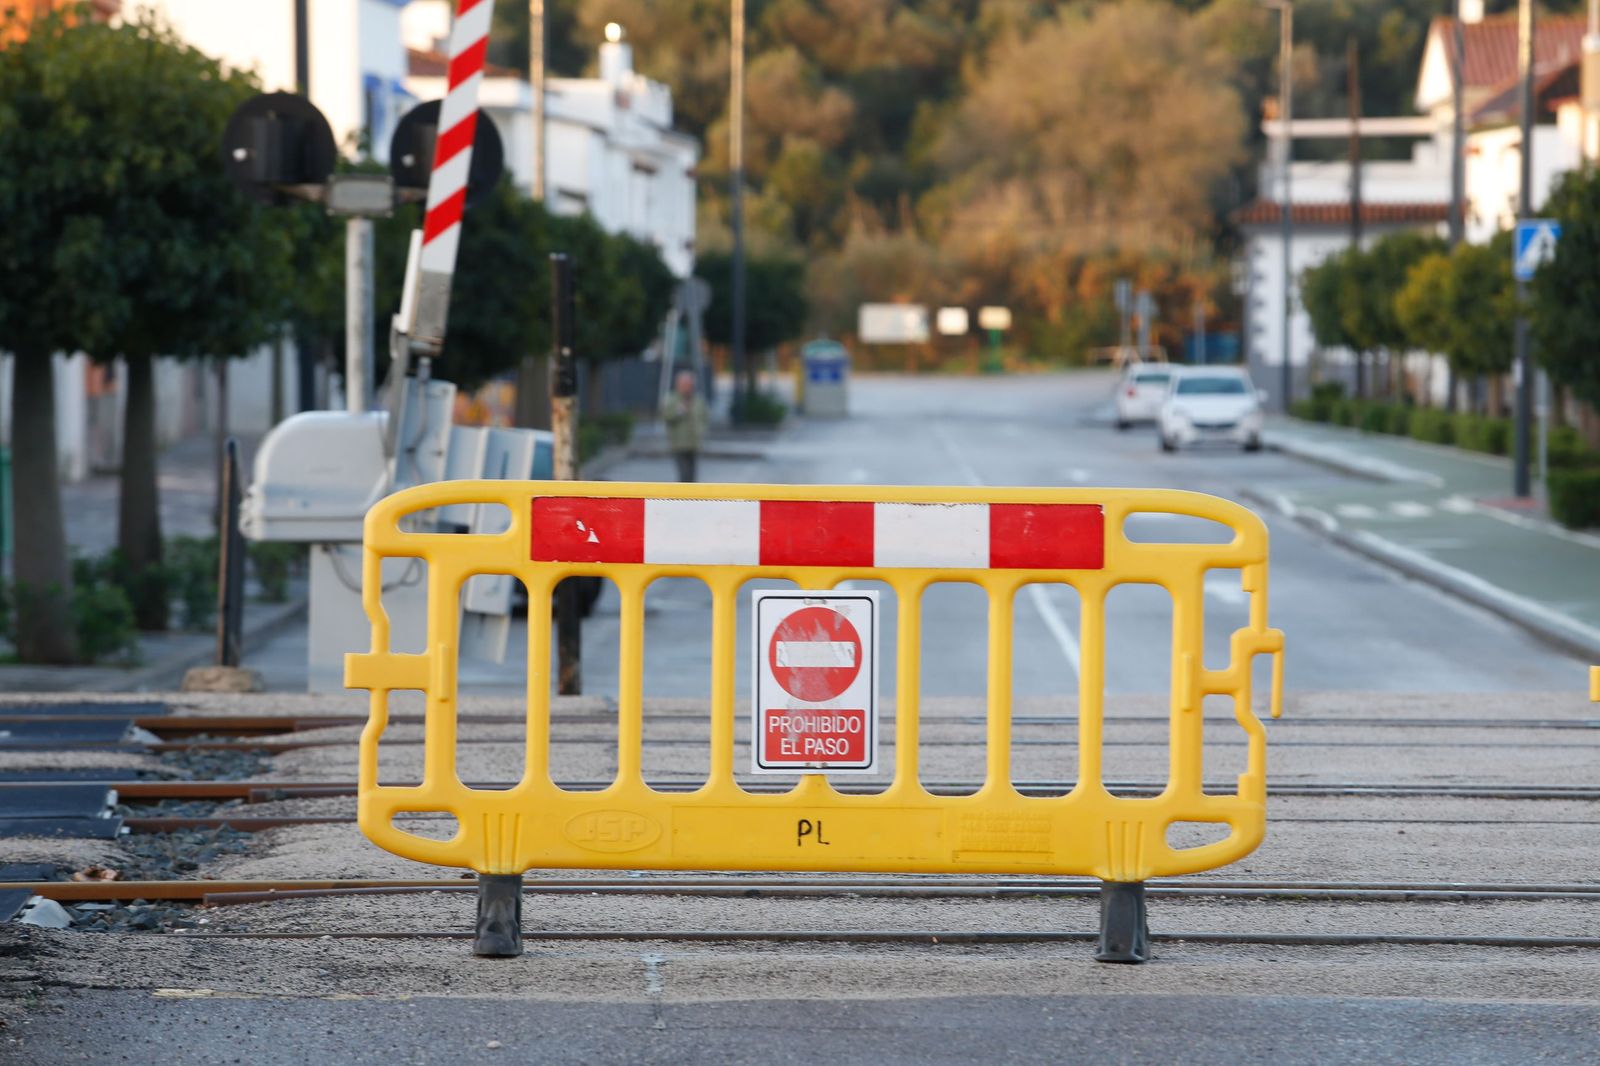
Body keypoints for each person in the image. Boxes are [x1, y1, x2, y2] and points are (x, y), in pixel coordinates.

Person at [661, 368, 709, 482]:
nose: (687, 386)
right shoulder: (671, 399)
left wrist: (702, 430)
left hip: (694, 443)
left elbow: (704, 416)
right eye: (684, 384)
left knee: (692, 476)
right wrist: (679, 411)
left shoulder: (698, 399)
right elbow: (666, 417)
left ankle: (692, 498)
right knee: (684, 476)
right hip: (679, 443)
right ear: (678, 384)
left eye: (689, 384)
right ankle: (681, 498)